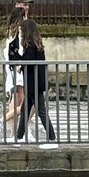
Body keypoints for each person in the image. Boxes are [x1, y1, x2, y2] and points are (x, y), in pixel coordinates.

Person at [12, 18, 57, 146]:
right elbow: (28, 60)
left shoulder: (30, 45)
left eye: (21, 31)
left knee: (41, 111)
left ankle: (52, 138)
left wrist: (20, 62)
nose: (20, 33)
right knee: (25, 110)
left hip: (33, 83)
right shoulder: (36, 43)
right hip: (35, 81)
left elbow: (30, 62)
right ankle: (19, 137)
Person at [0, 8, 26, 142]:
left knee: (16, 102)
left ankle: (15, 133)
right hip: (19, 70)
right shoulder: (19, 33)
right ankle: (3, 123)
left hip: (14, 71)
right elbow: (20, 51)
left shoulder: (10, 33)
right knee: (26, 104)